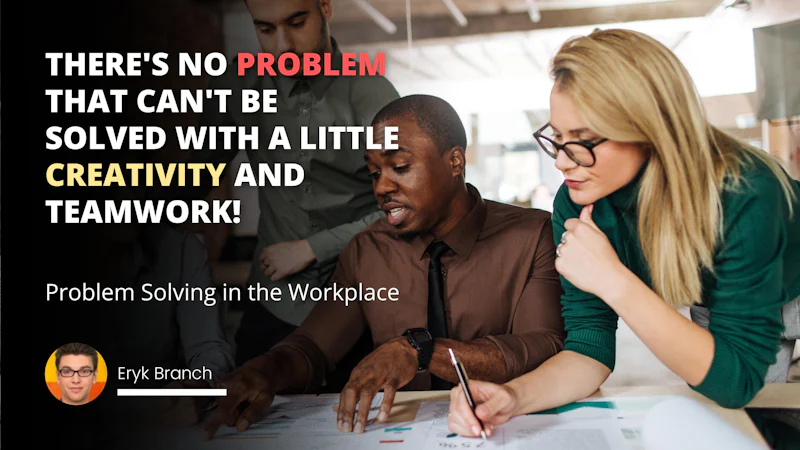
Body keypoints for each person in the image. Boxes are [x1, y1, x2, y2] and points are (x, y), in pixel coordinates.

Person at [448, 28, 800, 440]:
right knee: (745, 428)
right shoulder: (579, 203)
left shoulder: (745, 190)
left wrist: (612, 279)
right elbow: (589, 349)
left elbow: (734, 378)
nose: (562, 161)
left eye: (582, 141)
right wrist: (514, 396)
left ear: (649, 130)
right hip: (724, 301)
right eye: (557, 138)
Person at [204, 95, 566, 439]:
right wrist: (267, 370)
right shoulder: (367, 250)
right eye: (374, 173)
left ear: (455, 162)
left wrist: (422, 351)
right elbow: (313, 346)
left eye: (400, 168)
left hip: (504, 431)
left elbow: (544, 345)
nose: (382, 187)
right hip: (393, 435)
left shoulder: (531, 234)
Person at [178, 0, 400, 368]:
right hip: (273, 302)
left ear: (325, 7)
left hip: (361, 301)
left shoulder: (374, 95)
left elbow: (403, 207)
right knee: (244, 399)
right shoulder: (236, 86)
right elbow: (193, 179)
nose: (282, 47)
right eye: (265, 30)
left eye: (296, 23)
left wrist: (313, 248)